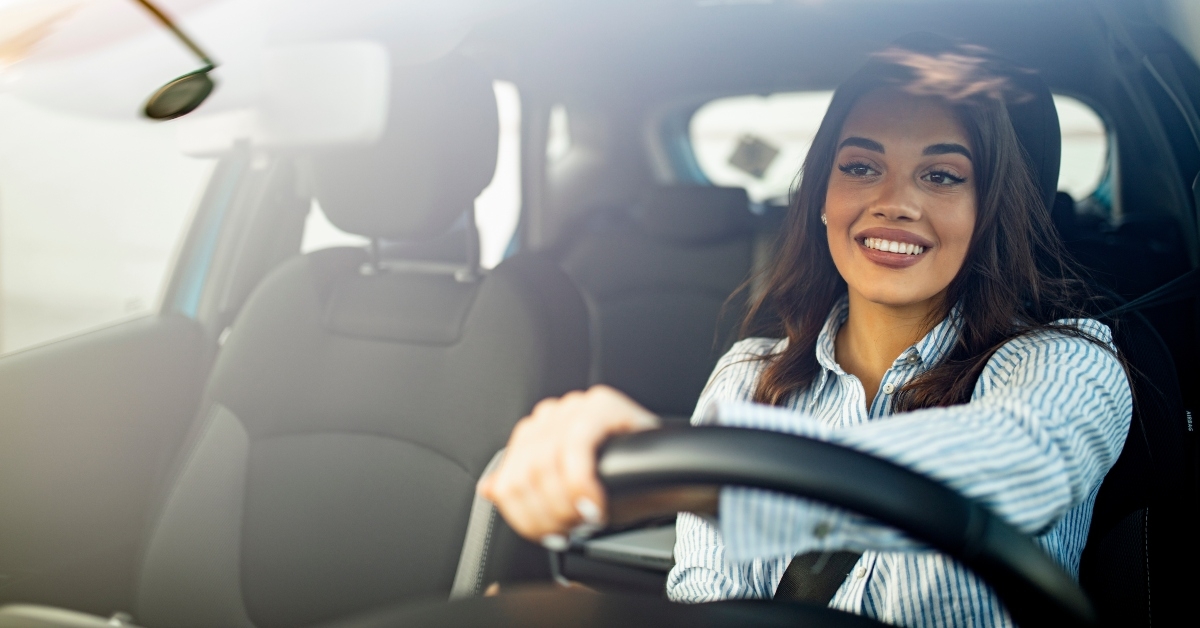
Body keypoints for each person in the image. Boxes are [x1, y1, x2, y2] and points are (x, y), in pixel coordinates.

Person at [478, 41, 1132, 627]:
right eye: (860, 167)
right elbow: (707, 602)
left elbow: (1026, 463)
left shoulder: (1068, 360)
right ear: (821, 195)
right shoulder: (749, 375)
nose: (894, 202)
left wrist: (712, 481)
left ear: (989, 207)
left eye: (941, 176)